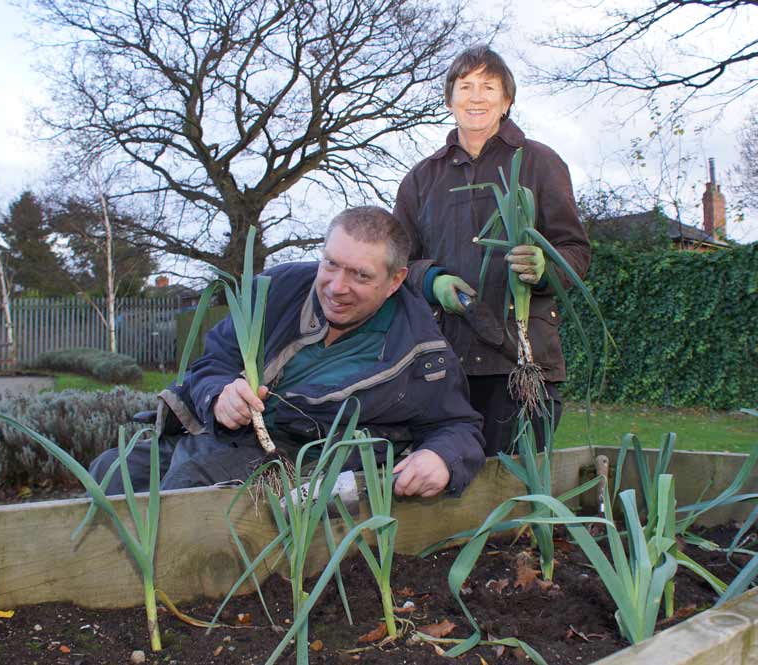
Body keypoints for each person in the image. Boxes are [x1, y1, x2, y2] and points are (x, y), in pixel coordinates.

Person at [89, 206, 485, 498]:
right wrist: (219, 396)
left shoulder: (421, 353)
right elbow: (214, 362)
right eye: (331, 264)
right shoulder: (276, 289)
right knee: (108, 472)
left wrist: (442, 458)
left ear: (396, 280)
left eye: (360, 275)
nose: (336, 287)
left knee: (188, 489)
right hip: (223, 435)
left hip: (301, 459)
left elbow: (458, 426)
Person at [394, 45, 591, 456]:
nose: (477, 96)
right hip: (447, 362)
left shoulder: (539, 162)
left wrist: (546, 264)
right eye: (465, 86)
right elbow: (396, 265)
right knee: (450, 490)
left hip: (522, 361)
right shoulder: (421, 179)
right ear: (449, 99)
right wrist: (432, 281)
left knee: (518, 492)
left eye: (489, 86)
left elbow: (575, 250)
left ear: (507, 99)